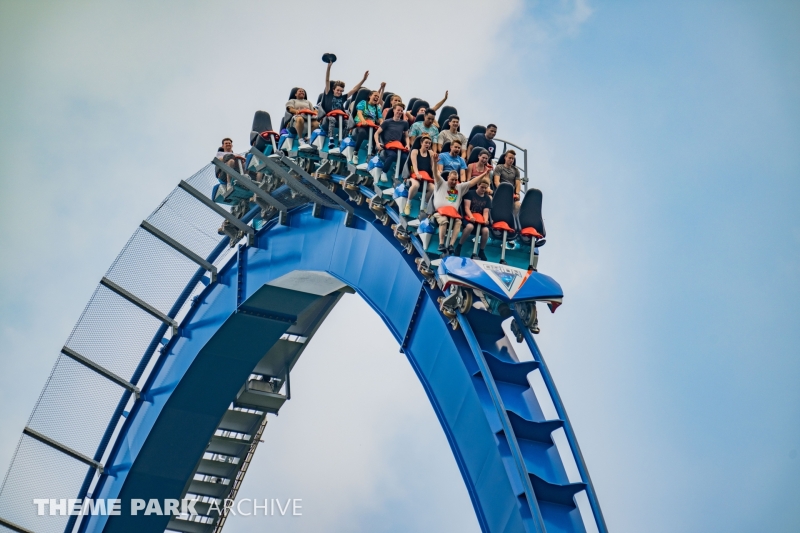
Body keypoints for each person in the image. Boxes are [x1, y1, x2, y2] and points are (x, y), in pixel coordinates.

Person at [432, 166, 485, 254]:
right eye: (452, 179)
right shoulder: (441, 183)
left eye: (456, 180)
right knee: (444, 221)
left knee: (458, 222)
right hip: (440, 213)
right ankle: (441, 244)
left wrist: (484, 173)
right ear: (448, 178)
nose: (454, 182)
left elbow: (473, 182)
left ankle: (451, 245)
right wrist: (434, 162)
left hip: (453, 214)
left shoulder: (459, 187)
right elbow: (435, 173)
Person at [321, 62, 369, 149]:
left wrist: (363, 79)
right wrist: (329, 67)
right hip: (328, 118)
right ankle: (331, 138)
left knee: (347, 122)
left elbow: (354, 89)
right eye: (338, 90)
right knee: (332, 119)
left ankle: (342, 140)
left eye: (341, 91)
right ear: (333, 89)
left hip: (340, 118)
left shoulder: (343, 98)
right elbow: (327, 80)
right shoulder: (328, 94)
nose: (339, 92)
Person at [455, 177, 493, 259]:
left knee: (486, 230)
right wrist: (471, 216)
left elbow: (485, 212)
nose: (483, 189)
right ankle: (459, 246)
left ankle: (481, 251)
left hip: (480, 220)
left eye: (485, 188)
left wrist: (485, 220)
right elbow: (467, 208)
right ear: (478, 185)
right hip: (470, 218)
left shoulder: (487, 198)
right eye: (482, 187)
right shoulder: (470, 193)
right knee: (470, 227)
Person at [374, 103, 410, 181]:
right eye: (398, 110)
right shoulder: (387, 122)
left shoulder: (404, 123)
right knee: (392, 155)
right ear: (393, 110)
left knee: (405, 157)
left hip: (398, 146)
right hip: (388, 145)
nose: (400, 112)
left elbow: (406, 136)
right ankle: (384, 172)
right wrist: (377, 143)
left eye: (401, 111)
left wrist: (407, 144)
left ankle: (397, 174)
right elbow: (377, 133)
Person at [352, 84, 385, 164]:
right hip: (361, 125)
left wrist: (382, 124)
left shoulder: (377, 108)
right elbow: (359, 113)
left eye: (378, 97)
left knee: (377, 135)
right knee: (362, 132)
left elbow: (380, 118)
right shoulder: (363, 103)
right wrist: (363, 120)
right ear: (370, 96)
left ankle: (372, 155)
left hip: (371, 126)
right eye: (375, 96)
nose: (377, 97)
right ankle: (355, 153)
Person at [405, 133, 436, 216]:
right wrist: (417, 174)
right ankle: (408, 203)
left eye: (429, 143)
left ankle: (425, 203)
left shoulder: (431, 153)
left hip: (426, 177)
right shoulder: (415, 151)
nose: (428, 145)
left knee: (433, 188)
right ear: (421, 143)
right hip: (415, 176)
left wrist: (435, 176)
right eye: (426, 143)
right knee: (415, 185)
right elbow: (414, 164)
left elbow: (432, 166)